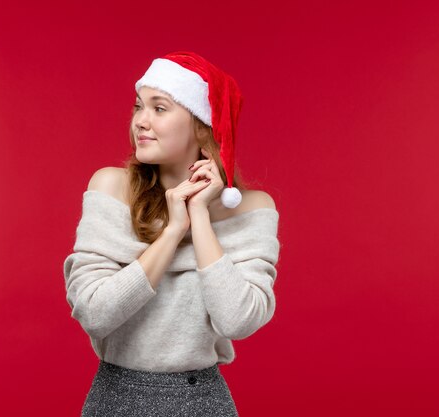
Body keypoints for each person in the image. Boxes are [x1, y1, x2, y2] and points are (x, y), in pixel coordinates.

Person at [63, 51, 281, 416]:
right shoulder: (110, 187)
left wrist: (198, 217)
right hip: (115, 399)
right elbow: (94, 312)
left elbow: (238, 321)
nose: (140, 122)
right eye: (138, 107)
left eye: (159, 108)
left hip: (202, 402)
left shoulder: (251, 208)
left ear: (201, 126)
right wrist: (172, 230)